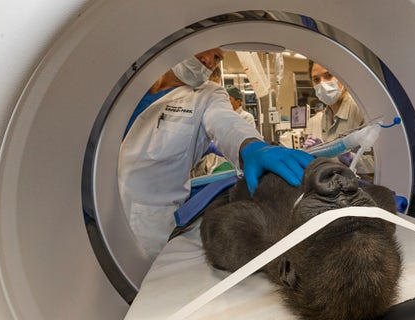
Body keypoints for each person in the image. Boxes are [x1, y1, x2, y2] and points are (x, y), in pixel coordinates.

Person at [118, 48, 313, 258]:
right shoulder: (122, 83)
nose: (208, 61)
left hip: (148, 225)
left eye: (218, 57)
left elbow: (225, 122)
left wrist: (252, 146)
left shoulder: (209, 95)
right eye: (202, 50)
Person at [305, 61, 374, 174]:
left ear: (343, 77)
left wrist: (352, 159)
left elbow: (382, 162)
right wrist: (320, 152)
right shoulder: (326, 115)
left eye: (328, 76)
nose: (322, 83)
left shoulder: (361, 109)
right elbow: (335, 162)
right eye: (316, 80)